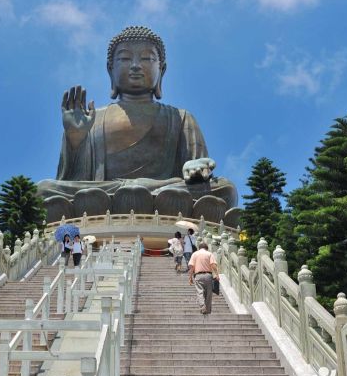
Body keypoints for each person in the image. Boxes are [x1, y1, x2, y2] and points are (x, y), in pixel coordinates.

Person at [37, 26, 238, 222]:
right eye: (125, 58)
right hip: (104, 193)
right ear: (110, 69)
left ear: (162, 69)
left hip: (166, 192)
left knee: (225, 189)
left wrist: (196, 168)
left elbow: (200, 175)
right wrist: (76, 138)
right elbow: (74, 180)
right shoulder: (93, 118)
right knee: (42, 190)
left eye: (147, 58)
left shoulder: (180, 117)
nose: (135, 65)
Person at [188, 243, 218, 314]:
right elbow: (213, 265)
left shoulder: (195, 254)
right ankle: (207, 310)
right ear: (206, 248)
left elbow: (191, 267)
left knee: (200, 292)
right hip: (208, 275)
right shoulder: (209, 254)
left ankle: (202, 306)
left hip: (198, 276)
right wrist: (217, 275)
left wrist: (190, 278)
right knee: (209, 294)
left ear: (199, 248)